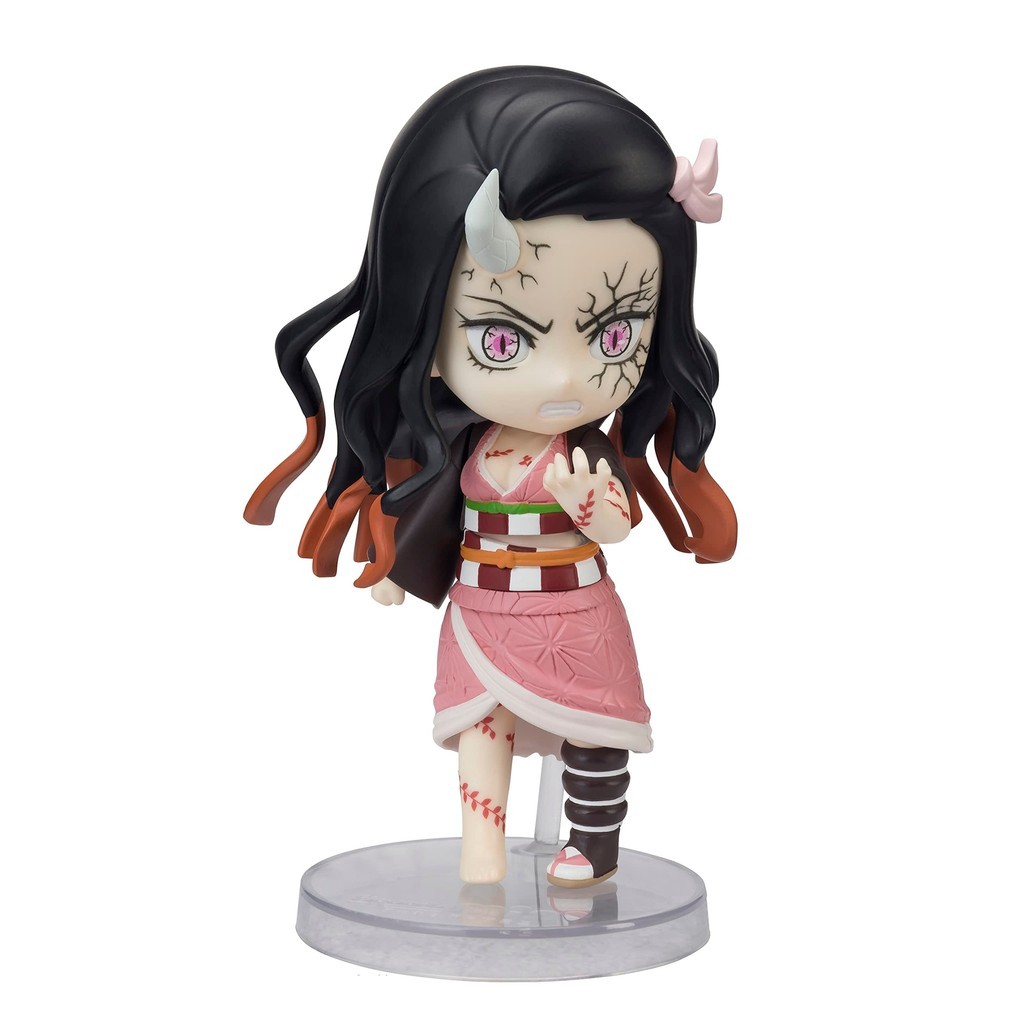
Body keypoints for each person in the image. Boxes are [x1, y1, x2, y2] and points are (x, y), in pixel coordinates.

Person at [245, 66, 737, 888]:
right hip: (481, 611)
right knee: (482, 724)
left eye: (616, 334)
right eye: (504, 340)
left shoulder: (582, 451)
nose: (565, 378)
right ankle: (482, 853)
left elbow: (618, 524)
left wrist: (596, 507)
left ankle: (594, 842)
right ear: (423, 329)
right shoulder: (462, 449)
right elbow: (432, 509)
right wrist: (394, 564)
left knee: (592, 728)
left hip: (571, 611)